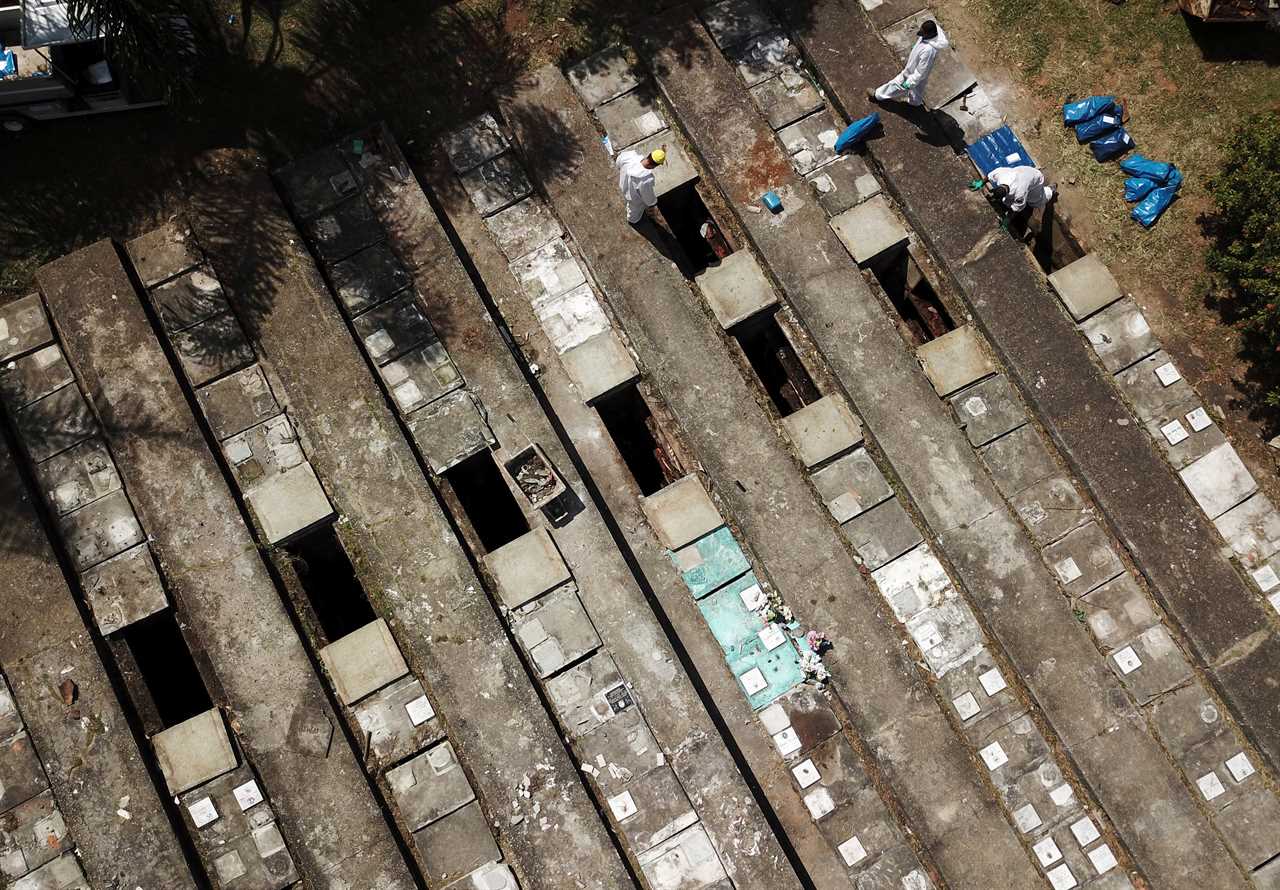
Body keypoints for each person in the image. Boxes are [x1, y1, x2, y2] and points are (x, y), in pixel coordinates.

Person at [869, 20, 948, 107]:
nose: (920, 35)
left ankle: (878, 95)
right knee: (918, 88)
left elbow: (921, 72)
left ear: (929, 34)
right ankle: (915, 102)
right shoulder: (929, 36)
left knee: (897, 84)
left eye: (923, 33)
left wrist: (910, 82)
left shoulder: (928, 51)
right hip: (918, 72)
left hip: (911, 74)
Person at [616, 146, 666, 224]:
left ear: (649, 154)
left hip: (622, 184)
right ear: (656, 165)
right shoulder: (646, 179)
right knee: (635, 210)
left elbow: (618, 161)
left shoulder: (630, 155)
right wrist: (653, 203)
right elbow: (648, 197)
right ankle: (632, 221)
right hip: (633, 198)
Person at [985, 165, 1054, 213]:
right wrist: (981, 182)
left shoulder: (1020, 193)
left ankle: (1051, 189)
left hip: (1036, 178)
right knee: (1007, 202)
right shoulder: (1001, 176)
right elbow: (990, 176)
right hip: (1024, 171)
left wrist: (1007, 219)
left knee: (1035, 201)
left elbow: (1018, 208)